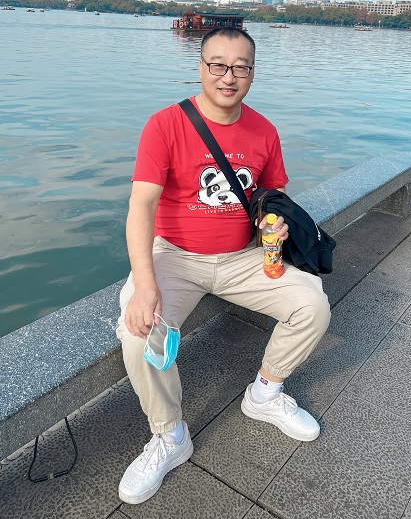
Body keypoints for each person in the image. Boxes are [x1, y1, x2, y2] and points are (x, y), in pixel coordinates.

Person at [116, 27, 331, 505]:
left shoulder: (264, 131)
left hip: (243, 257)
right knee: (138, 333)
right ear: (201, 67)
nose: (228, 76)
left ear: (252, 73)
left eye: (240, 67)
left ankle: (265, 393)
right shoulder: (165, 125)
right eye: (218, 65)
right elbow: (140, 207)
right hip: (175, 255)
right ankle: (169, 434)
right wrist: (146, 285)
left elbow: (272, 196)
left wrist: (273, 226)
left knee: (313, 305)